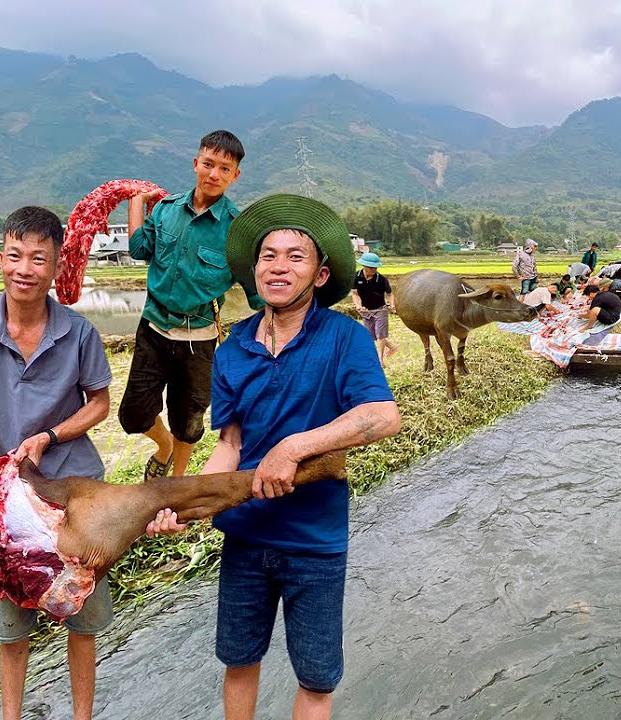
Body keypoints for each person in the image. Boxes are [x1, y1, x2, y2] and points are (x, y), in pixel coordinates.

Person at [147, 194, 401, 719]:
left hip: (315, 542)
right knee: (239, 662)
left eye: (295, 256)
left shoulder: (344, 338)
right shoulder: (234, 345)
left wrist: (294, 446)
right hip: (245, 537)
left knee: (316, 679)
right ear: (254, 270)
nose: (278, 266)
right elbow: (230, 447)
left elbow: (382, 416)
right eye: (268, 255)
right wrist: (185, 503)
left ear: (320, 273)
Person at [0, 207, 115, 720]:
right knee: (11, 629)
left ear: (54, 265)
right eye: (15, 255)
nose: (25, 268)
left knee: (82, 621)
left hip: (78, 495)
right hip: (10, 499)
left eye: (38, 258)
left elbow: (100, 403)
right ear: (1, 258)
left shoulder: (79, 332)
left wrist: (50, 434)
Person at [123, 129, 253, 482]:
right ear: (196, 164)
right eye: (208, 164)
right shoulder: (166, 211)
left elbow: (256, 291)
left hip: (200, 337)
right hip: (153, 328)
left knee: (189, 418)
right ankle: (163, 448)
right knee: (134, 413)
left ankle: (176, 482)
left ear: (235, 175)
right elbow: (139, 249)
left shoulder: (238, 230)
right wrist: (135, 205)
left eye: (224, 169)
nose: (214, 174)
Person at [350, 252, 397, 365]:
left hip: (380, 309)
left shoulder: (381, 279)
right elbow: (355, 293)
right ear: (364, 266)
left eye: (375, 267)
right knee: (372, 335)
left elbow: (390, 294)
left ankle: (380, 359)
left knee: (380, 334)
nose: (373, 269)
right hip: (366, 311)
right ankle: (392, 347)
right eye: (371, 267)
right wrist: (358, 306)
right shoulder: (356, 277)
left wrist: (392, 304)